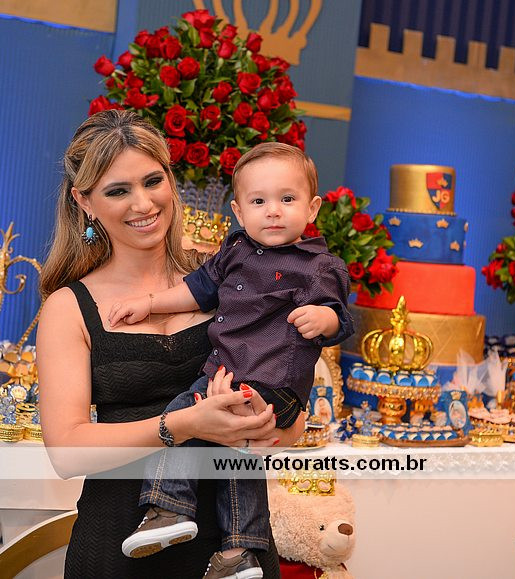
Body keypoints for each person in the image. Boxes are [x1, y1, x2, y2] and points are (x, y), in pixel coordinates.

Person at [37, 110, 305, 578]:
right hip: (120, 547)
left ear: (170, 179)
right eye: (118, 191)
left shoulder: (231, 276)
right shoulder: (69, 307)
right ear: (85, 202)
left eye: (152, 181)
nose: (143, 203)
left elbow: (294, 420)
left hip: (235, 551)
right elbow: (66, 451)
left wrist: (264, 425)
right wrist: (181, 424)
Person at [108, 142, 354, 576]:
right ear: (239, 213)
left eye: (287, 199)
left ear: (312, 208)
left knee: (183, 412)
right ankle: (241, 550)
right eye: (259, 202)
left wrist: (324, 318)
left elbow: (341, 318)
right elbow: (196, 290)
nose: (273, 211)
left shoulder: (317, 266)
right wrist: (149, 303)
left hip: (274, 385)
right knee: (234, 454)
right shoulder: (235, 251)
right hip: (225, 375)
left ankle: (169, 505)